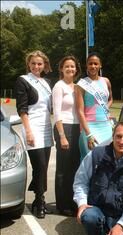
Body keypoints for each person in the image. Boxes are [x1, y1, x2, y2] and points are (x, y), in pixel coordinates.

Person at [15, 50, 53, 219]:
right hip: (32, 128)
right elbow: (22, 109)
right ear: (28, 65)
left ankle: (38, 198)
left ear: (44, 65)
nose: (36, 66)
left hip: (46, 128)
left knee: (42, 168)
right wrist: (28, 131)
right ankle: (40, 200)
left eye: (39, 63)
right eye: (33, 63)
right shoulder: (23, 81)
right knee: (40, 166)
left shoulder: (47, 82)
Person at [52, 55, 81, 215]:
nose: (70, 69)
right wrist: (62, 135)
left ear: (76, 69)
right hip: (64, 128)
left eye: (73, 66)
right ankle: (62, 205)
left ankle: (72, 201)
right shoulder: (59, 86)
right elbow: (56, 113)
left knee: (74, 168)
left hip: (77, 129)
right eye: (67, 66)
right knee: (63, 168)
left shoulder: (76, 87)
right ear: (62, 69)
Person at [75, 52, 113, 161]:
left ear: (100, 65)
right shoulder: (81, 84)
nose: (93, 66)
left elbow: (110, 99)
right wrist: (88, 134)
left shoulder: (106, 81)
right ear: (86, 65)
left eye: (96, 64)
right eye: (90, 64)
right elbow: (80, 111)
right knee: (91, 160)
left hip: (106, 126)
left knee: (106, 159)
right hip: (90, 126)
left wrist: (105, 109)